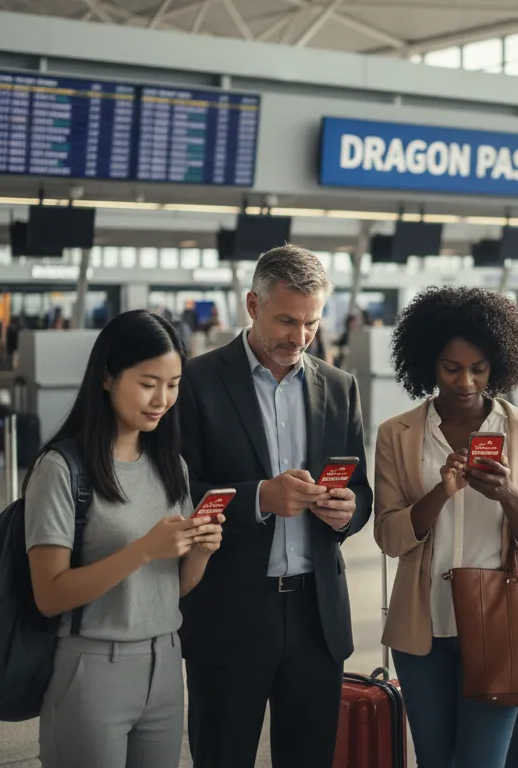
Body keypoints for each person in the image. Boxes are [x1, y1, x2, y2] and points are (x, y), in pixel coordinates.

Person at [178, 246, 373, 768]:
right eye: (287, 320)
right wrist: (259, 497)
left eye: (311, 323)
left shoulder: (339, 387)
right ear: (252, 305)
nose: (300, 337)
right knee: (222, 754)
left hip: (316, 616)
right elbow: (176, 492)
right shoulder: (197, 383)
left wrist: (347, 511)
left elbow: (360, 489)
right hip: (229, 611)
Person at [23, 310, 223, 768]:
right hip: (92, 667)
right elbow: (49, 595)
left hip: (167, 664)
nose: (163, 399)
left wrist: (201, 553)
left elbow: (169, 588)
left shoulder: (171, 465)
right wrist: (142, 551)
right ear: (108, 377)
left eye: (173, 385)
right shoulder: (61, 469)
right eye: (148, 383)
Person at [373, 286, 518, 767]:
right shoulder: (398, 433)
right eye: (451, 368)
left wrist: (509, 495)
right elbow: (390, 537)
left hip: (502, 624)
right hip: (422, 627)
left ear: (498, 364)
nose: (466, 382)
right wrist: (441, 492)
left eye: (478, 369)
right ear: (428, 364)